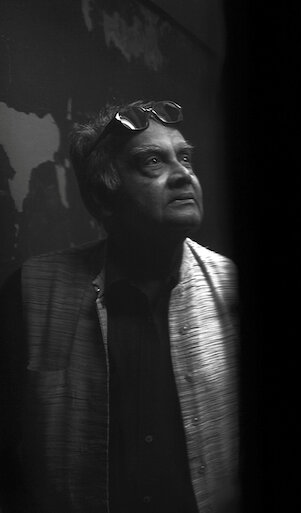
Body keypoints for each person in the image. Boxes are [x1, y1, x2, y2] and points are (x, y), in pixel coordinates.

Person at [0, 99, 239, 512]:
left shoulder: (231, 286)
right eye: (152, 162)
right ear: (103, 197)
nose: (183, 175)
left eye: (185, 158)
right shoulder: (32, 291)